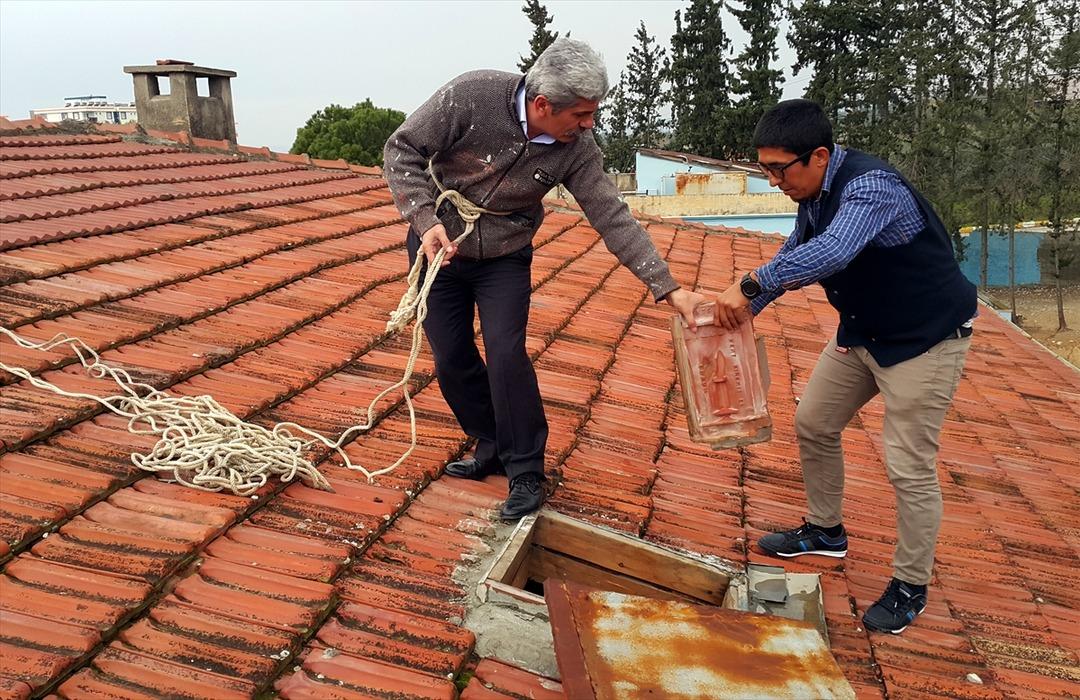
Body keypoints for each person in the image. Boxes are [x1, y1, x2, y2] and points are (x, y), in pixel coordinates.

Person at [383, 39, 704, 521]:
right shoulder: (471, 96)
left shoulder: (577, 150)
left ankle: (527, 468)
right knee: (451, 357)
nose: (588, 124)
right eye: (580, 114)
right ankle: (489, 443)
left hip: (505, 259)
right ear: (541, 105)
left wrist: (668, 287)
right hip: (438, 247)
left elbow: (611, 215)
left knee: (507, 355)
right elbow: (402, 149)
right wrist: (425, 220)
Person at [713, 99, 977, 634]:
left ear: (818, 155)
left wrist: (747, 285)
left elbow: (833, 251)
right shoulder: (812, 191)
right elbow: (798, 248)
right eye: (764, 169)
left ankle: (910, 585)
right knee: (814, 422)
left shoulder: (870, 188)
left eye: (778, 169)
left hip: (925, 341)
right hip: (864, 334)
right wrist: (742, 316)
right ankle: (826, 532)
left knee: (908, 464)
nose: (772, 181)